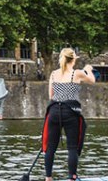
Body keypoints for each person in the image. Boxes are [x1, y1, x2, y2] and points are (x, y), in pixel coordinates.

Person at [43, 48, 95, 181]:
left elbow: (51, 95)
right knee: (72, 147)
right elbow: (92, 80)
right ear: (73, 60)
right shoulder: (77, 73)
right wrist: (88, 69)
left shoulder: (53, 74)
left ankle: (48, 177)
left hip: (54, 111)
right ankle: (72, 177)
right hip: (70, 112)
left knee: (51, 147)